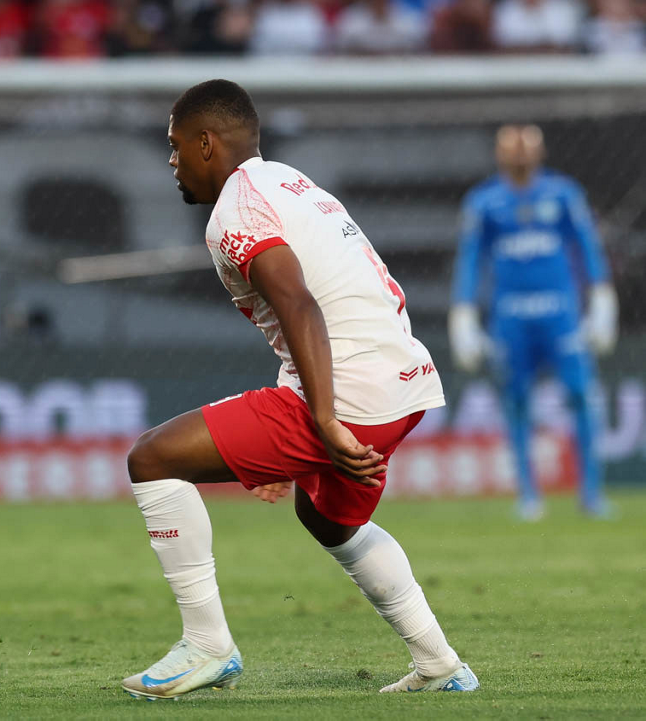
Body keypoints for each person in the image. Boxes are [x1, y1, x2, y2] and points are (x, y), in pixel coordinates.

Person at [120, 79, 478, 700]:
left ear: (207, 143)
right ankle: (439, 664)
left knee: (152, 458)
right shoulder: (289, 182)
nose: (172, 161)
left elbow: (300, 306)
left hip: (350, 392)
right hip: (405, 381)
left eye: (176, 146)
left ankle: (206, 646)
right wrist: (293, 443)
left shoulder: (237, 209)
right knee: (328, 519)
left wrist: (324, 421)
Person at [450, 124, 616, 520]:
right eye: (512, 150)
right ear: (499, 155)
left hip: (561, 315)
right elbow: (470, 259)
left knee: (581, 395)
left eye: (527, 149)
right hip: (511, 318)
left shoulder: (564, 194)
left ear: (541, 152)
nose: (521, 156)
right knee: (516, 401)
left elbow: (587, 245)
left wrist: (602, 296)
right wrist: (463, 312)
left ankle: (591, 493)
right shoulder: (484, 202)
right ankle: (528, 494)